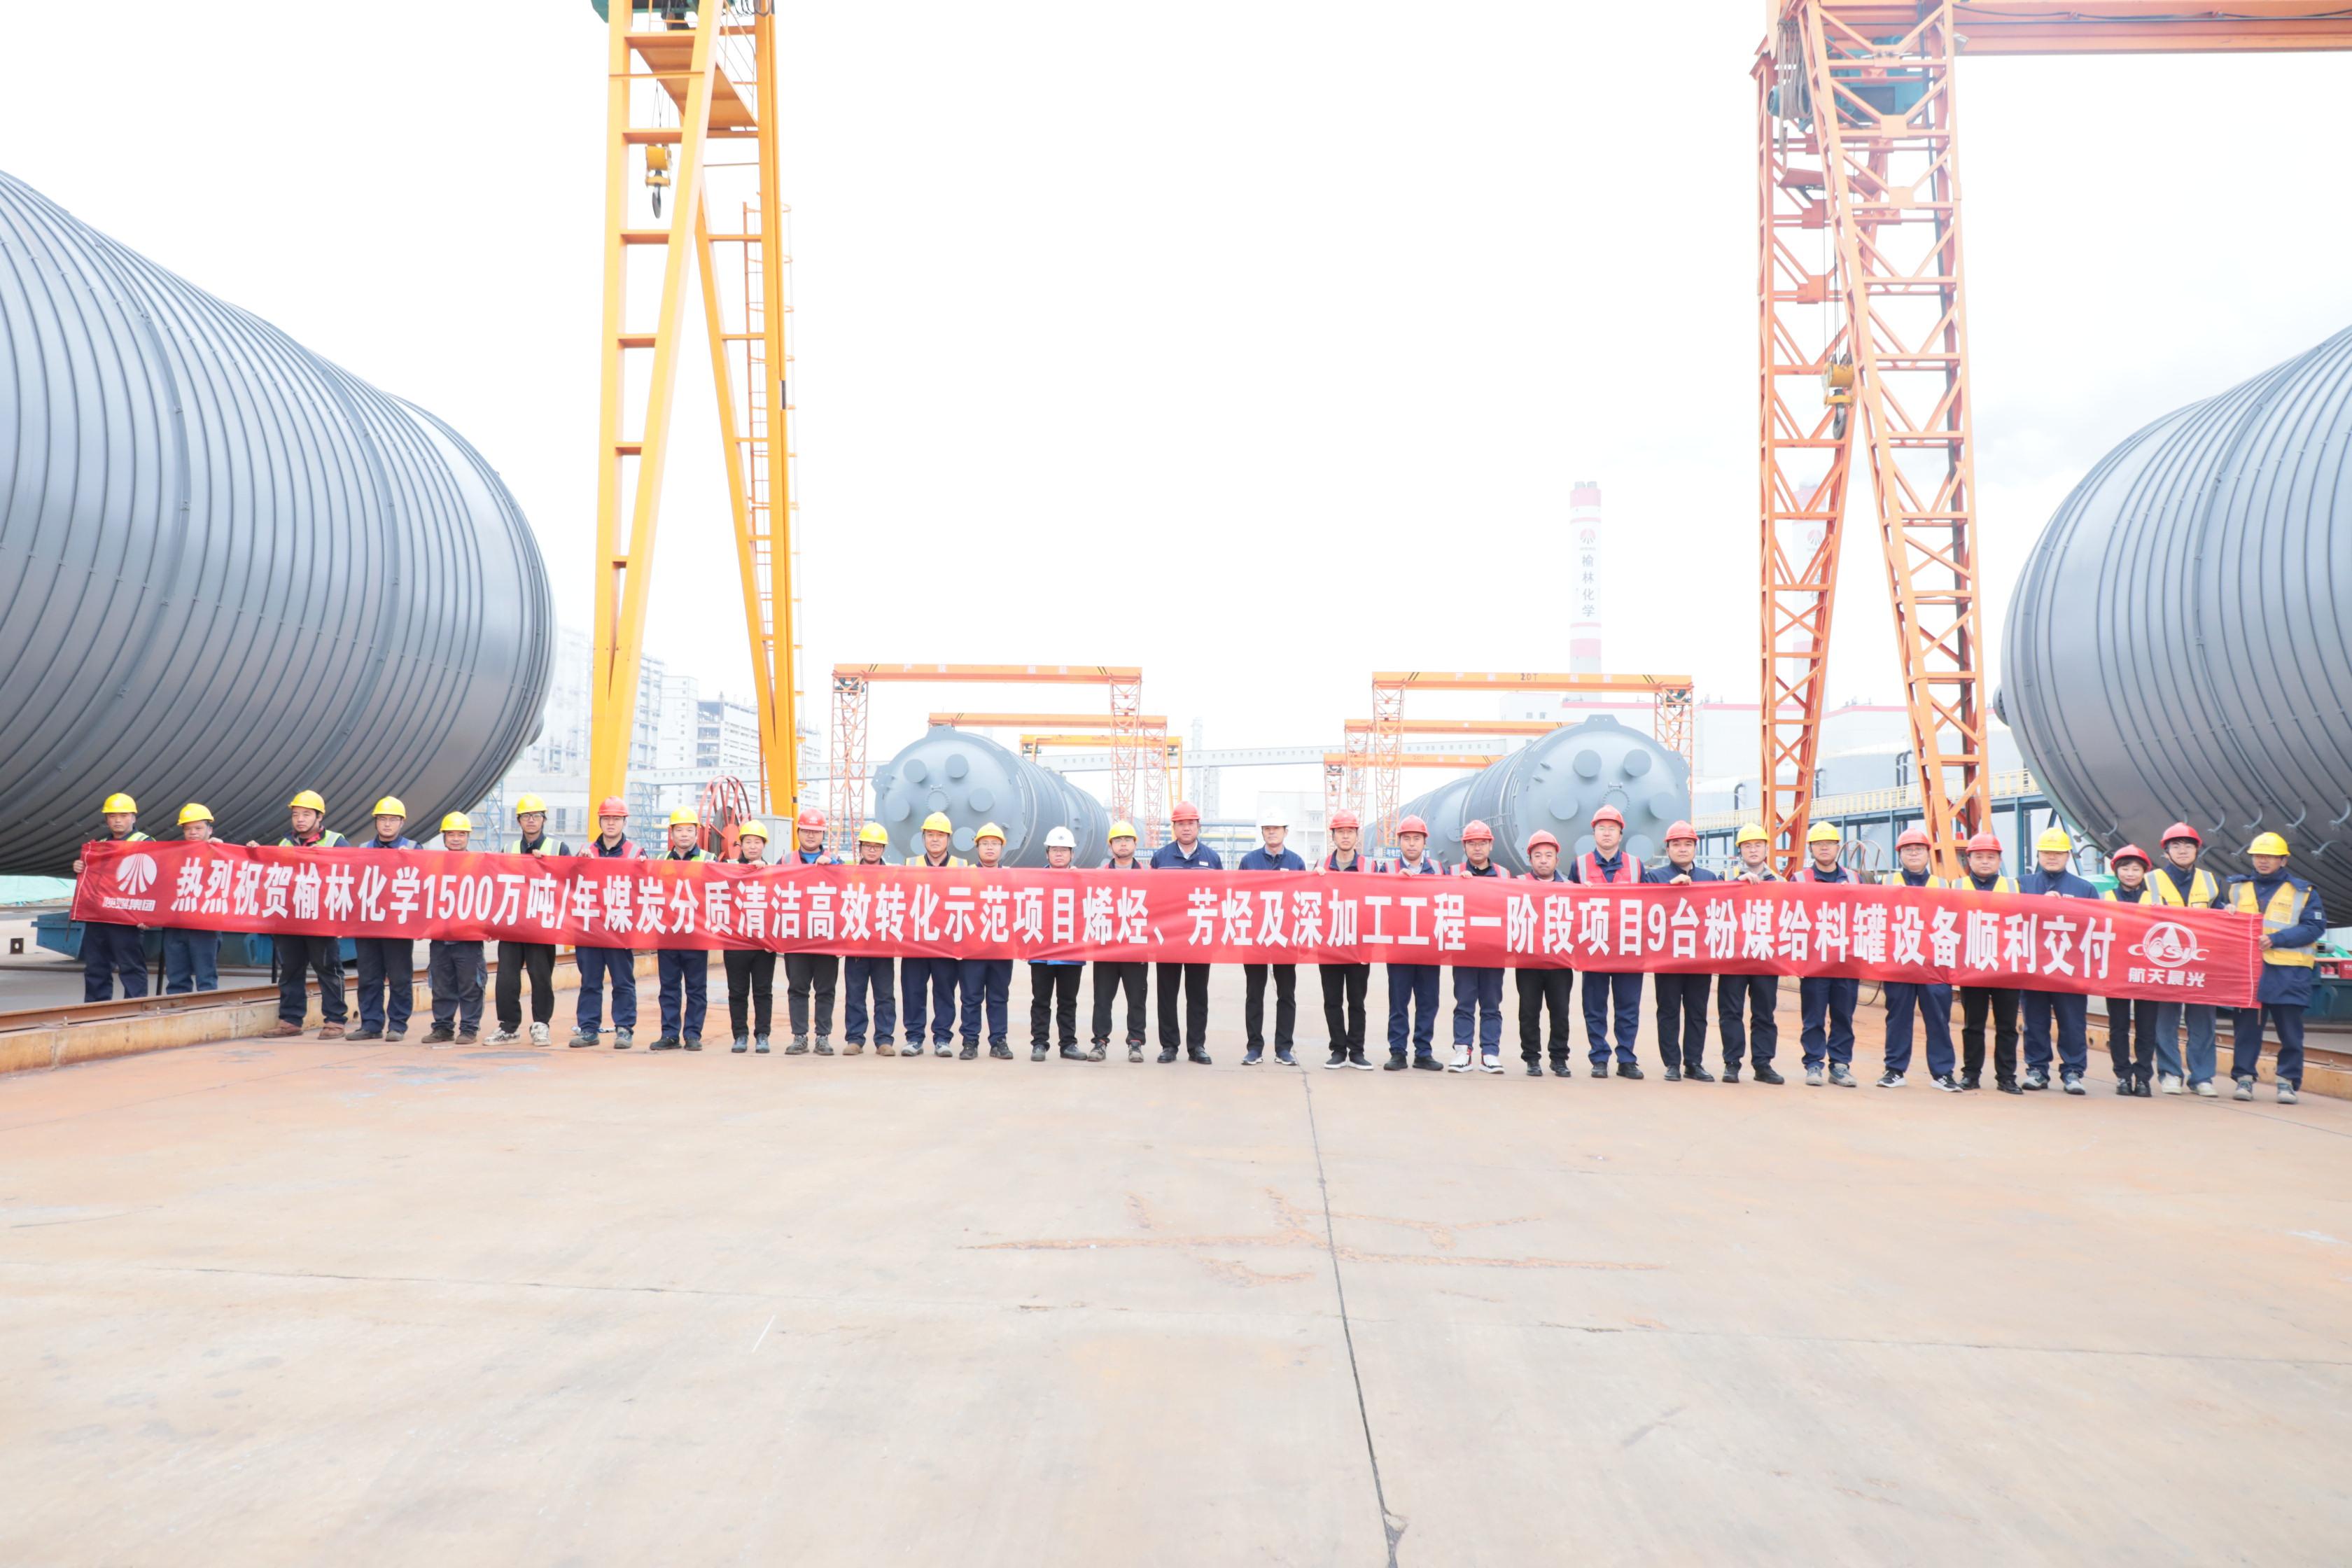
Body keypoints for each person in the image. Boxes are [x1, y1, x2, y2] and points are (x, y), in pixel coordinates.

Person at [2227, 832, 2326, 1106]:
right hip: (2249, 971)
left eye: (2270, 857)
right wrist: (2227, 912)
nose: (2263, 861)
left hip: (2289, 973)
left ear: (2283, 861)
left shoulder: (2303, 892)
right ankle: (2244, 1078)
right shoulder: (2236, 889)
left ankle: (2287, 1082)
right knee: (2246, 1031)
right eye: (2259, 856)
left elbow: (2314, 927)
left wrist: (2277, 939)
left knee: (2290, 1033)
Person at [265, 790, 349, 1040]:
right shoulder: (284, 844)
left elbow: (350, 876)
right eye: (296, 815)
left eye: (306, 814)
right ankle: (290, 1020)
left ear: (319, 817)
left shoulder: (336, 842)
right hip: (290, 919)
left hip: (321, 919)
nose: (300, 819)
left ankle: (335, 1020)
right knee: (290, 969)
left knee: (328, 968)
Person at [2018, 826, 2096, 1095]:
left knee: (2073, 1022)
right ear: (2038, 855)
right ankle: (2037, 1070)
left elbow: (2096, 928)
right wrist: (2040, 904)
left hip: (2069, 969)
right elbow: (2008, 918)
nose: (2052, 857)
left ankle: (2073, 1071)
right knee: (2035, 1021)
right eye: (2047, 852)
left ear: (2068, 856)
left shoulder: (2084, 889)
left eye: (2058, 853)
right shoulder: (2022, 885)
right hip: (2034, 968)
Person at [1879, 827, 1958, 1091]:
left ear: (1928, 854)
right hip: (1900, 962)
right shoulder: (1886, 883)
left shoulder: (1943, 885)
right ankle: (1894, 1070)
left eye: (1919, 849)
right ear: (1900, 854)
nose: (1913, 854)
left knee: (1938, 1019)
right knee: (1898, 1018)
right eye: (1908, 850)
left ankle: (1942, 1073)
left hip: (1934, 965)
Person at [2150, 822, 2225, 1097]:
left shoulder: (2211, 881)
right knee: (2165, 1021)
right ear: (2166, 851)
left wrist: (2228, 911)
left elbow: (2221, 916)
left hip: (2201, 963)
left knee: (2203, 1022)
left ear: (2197, 850)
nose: (2183, 850)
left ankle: (2202, 1077)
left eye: (2188, 846)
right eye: (2176, 846)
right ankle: (2170, 1073)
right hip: (2165, 964)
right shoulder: (2150, 880)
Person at [1569, 805, 1644, 1079]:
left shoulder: (1636, 865)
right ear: (1594, 833)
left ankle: (1627, 1059)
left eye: (1612, 828)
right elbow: (1567, 903)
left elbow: (1652, 900)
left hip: (1627, 948)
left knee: (1628, 1008)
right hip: (1595, 946)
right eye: (1601, 828)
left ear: (1621, 834)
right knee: (1595, 1007)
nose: (1607, 833)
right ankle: (1599, 1058)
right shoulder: (1580, 865)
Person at [1642, 820, 1718, 1083]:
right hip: (1668, 957)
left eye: (1688, 844)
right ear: (1668, 848)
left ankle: (1694, 1063)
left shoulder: (1710, 878)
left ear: (1695, 848)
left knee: (1697, 1012)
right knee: (1669, 1011)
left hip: (1699, 958)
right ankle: (1672, 1063)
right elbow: (1647, 910)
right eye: (1676, 844)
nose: (1682, 849)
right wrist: (1669, 889)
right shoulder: (1655, 878)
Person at [491, 792, 566, 1046]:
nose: (531, 820)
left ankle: (541, 1024)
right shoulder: (508, 849)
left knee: (541, 977)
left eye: (536, 816)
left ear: (544, 819)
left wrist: (548, 866)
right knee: (506, 978)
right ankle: (508, 1026)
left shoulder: (558, 849)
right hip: (513, 925)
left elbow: (569, 882)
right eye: (525, 816)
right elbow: (497, 883)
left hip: (541, 925)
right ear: (519, 821)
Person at [1149, 802, 1222, 1065]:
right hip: (1168, 937)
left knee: (1198, 994)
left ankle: (1197, 1046)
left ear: (1198, 826)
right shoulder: (1161, 858)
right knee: (1167, 994)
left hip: (1199, 936)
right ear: (1174, 828)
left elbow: (1220, 896)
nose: (1186, 828)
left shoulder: (1212, 858)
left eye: (1191, 823)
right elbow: (1151, 896)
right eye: (1181, 824)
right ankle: (1169, 1045)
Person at [570, 797, 641, 1050]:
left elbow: (643, 889)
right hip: (590, 928)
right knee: (590, 981)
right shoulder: (586, 851)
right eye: (607, 818)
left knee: (623, 981)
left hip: (619, 929)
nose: (611, 823)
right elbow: (570, 884)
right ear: (600, 821)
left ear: (624, 822)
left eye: (616, 819)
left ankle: (624, 1029)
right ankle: (588, 1030)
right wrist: (579, 864)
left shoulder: (635, 853)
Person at [1952, 830, 2021, 1093]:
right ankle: (1971, 1075)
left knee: (2007, 1026)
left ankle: (2006, 1077)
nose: (1984, 862)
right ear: (1968, 860)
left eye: (1990, 857)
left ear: (1999, 860)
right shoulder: (1956, 887)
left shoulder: (2015, 887)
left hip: (2006, 967)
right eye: (1979, 856)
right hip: (1973, 967)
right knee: (1973, 1025)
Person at [1791, 822, 1858, 1087]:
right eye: (1819, 844)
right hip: (1814, 961)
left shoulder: (1854, 879)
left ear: (1838, 847)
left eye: (1829, 843)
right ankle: (1814, 1064)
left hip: (1846, 960)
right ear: (1811, 848)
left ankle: (1840, 1065)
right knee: (1814, 1016)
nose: (1825, 848)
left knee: (1843, 1015)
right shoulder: (1799, 879)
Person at [1239, 808, 1307, 1066]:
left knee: (1286, 994)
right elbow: (1240, 897)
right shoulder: (1249, 861)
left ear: (1285, 832)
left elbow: (1303, 899)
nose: (1271, 833)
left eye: (1276, 829)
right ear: (1262, 833)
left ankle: (1284, 1048)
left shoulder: (1297, 862)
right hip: (1256, 938)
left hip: (1285, 937)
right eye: (1267, 829)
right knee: (1254, 994)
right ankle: (1254, 1048)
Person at [1717, 825, 1784, 1084]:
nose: (1753, 850)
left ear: (1767, 849)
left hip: (1765, 957)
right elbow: (1714, 904)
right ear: (1740, 851)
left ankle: (1763, 1064)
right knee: (1731, 1011)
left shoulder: (1780, 883)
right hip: (1733, 957)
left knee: (1764, 1012)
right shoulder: (1726, 878)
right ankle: (1732, 1063)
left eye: (1758, 845)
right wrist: (1738, 885)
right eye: (1747, 846)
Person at [347, 798, 419, 1043]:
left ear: (402, 822)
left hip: (398, 926)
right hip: (368, 925)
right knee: (369, 977)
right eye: (382, 819)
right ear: (376, 822)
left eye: (393, 820)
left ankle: (397, 1025)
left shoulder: (413, 848)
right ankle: (371, 1025)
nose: (387, 824)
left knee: (400, 978)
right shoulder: (363, 849)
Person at [1382, 813, 1446, 1072]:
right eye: (1407, 838)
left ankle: (1423, 1052)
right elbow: (1375, 900)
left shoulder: (1438, 870)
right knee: (1399, 1002)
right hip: (1399, 948)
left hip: (1429, 948)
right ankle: (1398, 1052)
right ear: (1399, 842)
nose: (1411, 843)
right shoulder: (1387, 870)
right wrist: (1395, 883)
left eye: (1416, 839)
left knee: (1428, 1002)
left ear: (1424, 842)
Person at [74, 792, 151, 1002]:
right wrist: (80, 867)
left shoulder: (146, 843)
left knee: (131, 966)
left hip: (127, 917)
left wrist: (147, 916)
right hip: (99, 916)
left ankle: (134, 1008)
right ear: (107, 819)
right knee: (96, 967)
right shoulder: (99, 845)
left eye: (123, 816)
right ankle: (96, 1009)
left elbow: (154, 882)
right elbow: (94, 879)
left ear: (133, 817)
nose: (117, 820)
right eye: (112, 816)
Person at [900, 811, 966, 1060]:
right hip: (915, 943)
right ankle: (914, 1039)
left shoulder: (962, 867)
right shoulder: (909, 864)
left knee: (945, 993)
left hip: (946, 944)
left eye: (940, 835)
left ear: (949, 838)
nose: (935, 840)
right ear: (923, 838)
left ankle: (942, 1039)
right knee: (913, 992)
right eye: (930, 835)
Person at [1447, 820, 1508, 1074]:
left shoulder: (1504, 875)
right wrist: (1459, 884)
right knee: (1464, 1002)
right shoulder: (1453, 873)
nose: (1477, 848)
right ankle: (1463, 1051)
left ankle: (1490, 1053)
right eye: (1472, 843)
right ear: (1464, 846)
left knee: (1491, 1005)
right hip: (1464, 951)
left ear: (1491, 845)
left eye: (1482, 843)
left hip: (1493, 952)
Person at [650, 807, 714, 1051]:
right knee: (669, 988)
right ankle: (669, 1034)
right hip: (668, 934)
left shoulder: (709, 860)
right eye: (679, 830)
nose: (684, 834)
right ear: (672, 833)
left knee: (696, 988)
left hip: (696, 935)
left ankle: (693, 1035)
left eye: (689, 830)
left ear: (697, 833)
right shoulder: (660, 860)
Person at [1320, 809, 1377, 1071]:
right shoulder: (1322, 866)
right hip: (1330, 945)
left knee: (1356, 1001)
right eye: (1341, 832)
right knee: (1332, 1000)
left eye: (1350, 832)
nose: (1345, 836)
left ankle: (1356, 1051)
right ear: (1333, 836)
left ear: (1357, 836)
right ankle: (1338, 1050)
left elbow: (1386, 898)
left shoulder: (1370, 868)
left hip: (1359, 945)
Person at [2100, 845, 2160, 1097]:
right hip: (2117, 970)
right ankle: (2123, 1076)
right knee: (2119, 1026)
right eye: (2125, 868)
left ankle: (2143, 1077)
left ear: (2144, 872)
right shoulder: (2104, 899)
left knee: (2147, 1027)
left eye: (2136, 869)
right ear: (2116, 871)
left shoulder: (2156, 901)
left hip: (2147, 972)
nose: (2130, 873)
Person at [1514, 829, 1575, 1078]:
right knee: (1529, 1012)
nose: (1543, 860)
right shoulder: (1517, 884)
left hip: (1559, 962)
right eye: (1537, 855)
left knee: (1560, 1012)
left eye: (1548, 855)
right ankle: (1532, 1058)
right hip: (1528, 962)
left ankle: (1559, 1058)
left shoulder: (1570, 888)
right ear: (1530, 859)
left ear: (1557, 860)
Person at [420, 813, 484, 1046]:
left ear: (468, 837)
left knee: (471, 986)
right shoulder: (433, 864)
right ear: (444, 837)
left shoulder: (479, 863)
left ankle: (469, 1029)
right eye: (451, 834)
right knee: (441, 985)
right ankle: (443, 1028)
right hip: (440, 937)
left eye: (461, 834)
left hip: (469, 939)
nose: (456, 839)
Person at [781, 806, 839, 1055]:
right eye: (806, 830)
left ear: (823, 834)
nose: (811, 835)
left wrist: (833, 866)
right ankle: (800, 1037)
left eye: (816, 831)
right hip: (797, 939)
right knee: (798, 989)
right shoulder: (785, 862)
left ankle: (823, 1037)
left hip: (826, 939)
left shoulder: (836, 862)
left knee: (825, 990)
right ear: (798, 832)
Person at [1091, 820, 1149, 1062]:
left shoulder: (1148, 876)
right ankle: (1100, 1042)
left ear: (1135, 844)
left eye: (1127, 840)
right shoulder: (1099, 875)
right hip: (1106, 948)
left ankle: (1136, 1043)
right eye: (1118, 840)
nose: (1123, 844)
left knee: (1137, 999)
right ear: (1110, 845)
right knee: (1102, 999)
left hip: (1136, 948)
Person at [841, 822, 898, 1057]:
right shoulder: (848, 874)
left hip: (883, 946)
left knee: (884, 996)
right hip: (856, 946)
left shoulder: (894, 875)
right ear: (860, 848)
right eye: (868, 846)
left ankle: (884, 1040)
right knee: (855, 995)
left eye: (877, 846)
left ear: (883, 849)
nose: (872, 850)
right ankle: (855, 1039)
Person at [959, 823, 1015, 1059]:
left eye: (994, 844)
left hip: (1001, 949)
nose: (990, 848)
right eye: (985, 844)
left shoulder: (1011, 876)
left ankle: (999, 1041)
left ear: (1002, 848)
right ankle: (970, 1041)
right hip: (972, 949)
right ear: (977, 848)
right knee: (971, 997)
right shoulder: (966, 875)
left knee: (998, 997)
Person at [1030, 826, 1086, 1061]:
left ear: (1072, 854)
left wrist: (1081, 881)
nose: (1060, 854)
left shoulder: (1082, 881)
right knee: (1041, 1000)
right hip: (1041, 951)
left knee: (1068, 1001)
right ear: (1047, 853)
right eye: (1055, 849)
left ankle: (1068, 1044)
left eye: (1064, 850)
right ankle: (1039, 1043)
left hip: (1071, 953)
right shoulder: (1034, 880)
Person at [725, 822, 779, 1054]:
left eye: (757, 842)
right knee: (737, 992)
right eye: (748, 842)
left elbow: (779, 906)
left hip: (763, 944)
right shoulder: (728, 869)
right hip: (736, 942)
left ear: (764, 845)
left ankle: (762, 1035)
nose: (753, 846)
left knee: (763, 991)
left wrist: (774, 939)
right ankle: (740, 1035)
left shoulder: (773, 872)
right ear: (741, 845)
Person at [161, 803, 222, 994]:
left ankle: (207, 1011)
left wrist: (220, 849)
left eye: (198, 828)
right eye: (188, 829)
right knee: (176, 978)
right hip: (176, 923)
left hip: (205, 925)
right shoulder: (174, 854)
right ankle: (178, 1009)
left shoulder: (220, 852)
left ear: (210, 830)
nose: (193, 833)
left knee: (206, 979)